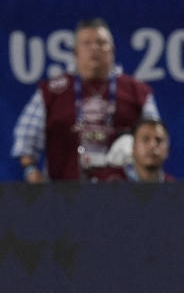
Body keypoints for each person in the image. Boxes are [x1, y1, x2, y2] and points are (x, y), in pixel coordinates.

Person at [10, 18, 161, 183]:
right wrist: (31, 171)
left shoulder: (136, 91)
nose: (94, 48)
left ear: (113, 50)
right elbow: (26, 138)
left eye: (101, 43)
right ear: (76, 52)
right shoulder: (52, 91)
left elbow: (156, 139)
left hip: (124, 194)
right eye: (87, 43)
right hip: (63, 195)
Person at [90, 118, 174, 182]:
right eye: (145, 139)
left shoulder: (176, 191)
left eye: (158, 140)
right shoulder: (107, 182)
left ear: (167, 149)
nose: (152, 145)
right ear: (133, 147)